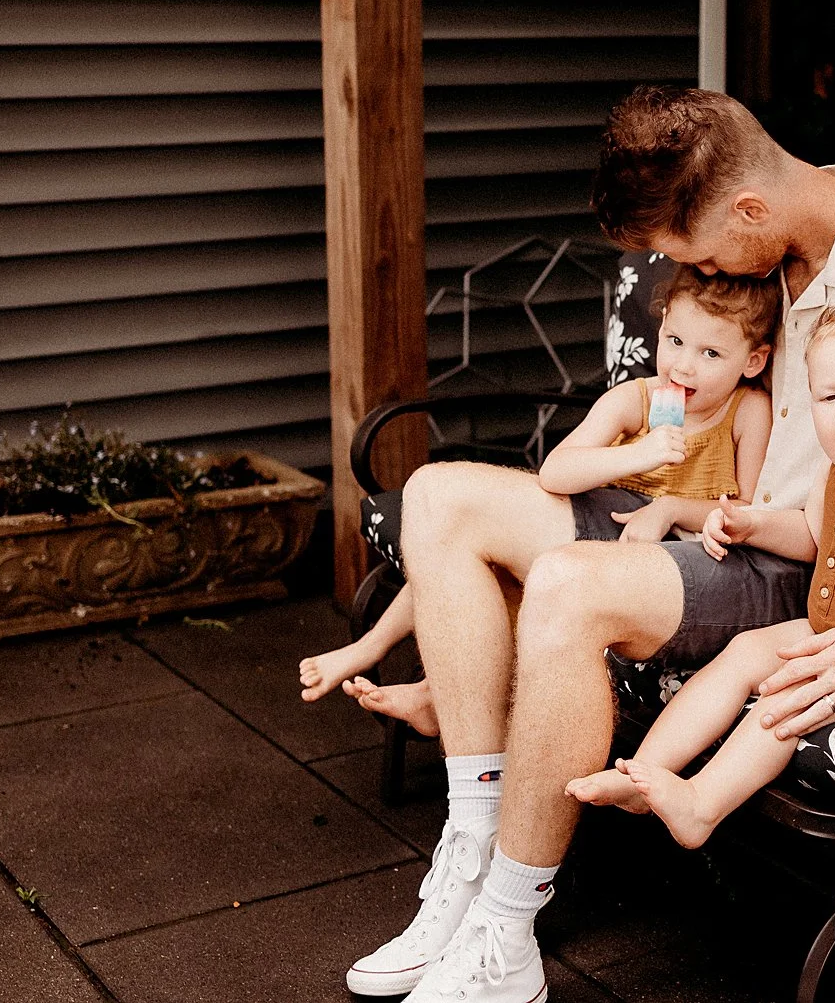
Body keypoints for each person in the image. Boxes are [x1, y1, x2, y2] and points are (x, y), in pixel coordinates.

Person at [360, 87, 835, 1003]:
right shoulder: (766, 253)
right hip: (709, 522)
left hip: (794, 567)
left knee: (569, 586)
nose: (681, 266)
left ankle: (506, 925)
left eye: (686, 250)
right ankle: (470, 845)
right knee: (439, 496)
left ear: (746, 210)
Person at [300, 268, 778, 748]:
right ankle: (374, 648)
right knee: (467, 549)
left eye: (710, 353)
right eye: (674, 340)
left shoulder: (748, 411)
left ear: (754, 361)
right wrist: (639, 453)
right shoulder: (636, 399)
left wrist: (671, 507)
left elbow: (744, 507)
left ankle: (430, 696)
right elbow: (556, 471)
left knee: (496, 560)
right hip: (603, 524)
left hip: (668, 560)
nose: (683, 366)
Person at [568, 302, 835, 848]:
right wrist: (751, 524)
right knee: (741, 654)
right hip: (819, 629)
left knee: (786, 700)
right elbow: (812, 536)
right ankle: (640, 775)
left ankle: (702, 806)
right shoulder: (833, 475)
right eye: (829, 397)